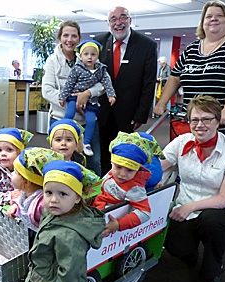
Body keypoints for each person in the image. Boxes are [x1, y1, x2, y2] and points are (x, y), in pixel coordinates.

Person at [160, 94, 225, 282]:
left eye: (207, 119)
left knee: (211, 222)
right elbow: (158, 167)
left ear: (218, 121)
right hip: (185, 210)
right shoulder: (182, 142)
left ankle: (213, 269)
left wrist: (190, 206)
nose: (200, 125)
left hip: (220, 213)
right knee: (176, 246)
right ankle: (191, 252)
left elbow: (224, 199)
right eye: (195, 120)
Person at [153, 0, 225, 146]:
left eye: (219, 16)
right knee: (194, 158)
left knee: (218, 161)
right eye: (209, 16)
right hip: (198, 118)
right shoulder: (191, 49)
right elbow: (175, 77)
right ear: (203, 22)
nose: (213, 19)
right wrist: (162, 102)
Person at [24, 160, 105, 282]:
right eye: (49, 193)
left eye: (62, 194)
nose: (53, 200)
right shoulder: (53, 213)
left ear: (77, 197)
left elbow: (70, 278)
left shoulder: (70, 236)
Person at [95, 6, 157, 176]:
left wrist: (141, 114)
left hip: (128, 113)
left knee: (123, 155)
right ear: (108, 23)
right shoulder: (99, 43)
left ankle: (120, 190)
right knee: (101, 153)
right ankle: (103, 188)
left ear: (130, 20)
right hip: (101, 110)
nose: (118, 23)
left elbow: (149, 83)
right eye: (113, 19)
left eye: (123, 17)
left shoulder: (147, 45)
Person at [41, 20, 103, 176]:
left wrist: (87, 94)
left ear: (79, 38)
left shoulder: (88, 56)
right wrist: (73, 102)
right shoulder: (52, 61)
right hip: (61, 118)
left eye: (74, 36)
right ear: (60, 37)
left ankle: (95, 198)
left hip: (86, 119)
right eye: (66, 35)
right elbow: (47, 91)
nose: (70, 40)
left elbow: (102, 84)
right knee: (63, 161)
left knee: (93, 161)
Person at [93, 132, 158, 237]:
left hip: (105, 219)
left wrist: (119, 224)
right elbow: (101, 185)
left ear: (136, 170)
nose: (122, 174)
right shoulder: (112, 173)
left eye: (130, 170)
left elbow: (145, 213)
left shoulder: (135, 188)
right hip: (96, 208)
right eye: (118, 167)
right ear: (112, 163)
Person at [59, 39, 116, 156]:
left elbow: (107, 83)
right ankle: (63, 130)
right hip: (74, 97)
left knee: (91, 121)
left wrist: (111, 95)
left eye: (93, 54)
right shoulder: (77, 68)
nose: (89, 57)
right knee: (69, 114)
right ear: (80, 56)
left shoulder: (101, 69)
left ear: (97, 56)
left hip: (91, 101)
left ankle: (86, 143)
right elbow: (69, 83)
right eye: (86, 54)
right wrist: (62, 97)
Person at [6, 147, 63, 232]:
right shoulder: (26, 192)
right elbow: (23, 202)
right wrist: (16, 205)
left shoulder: (43, 204)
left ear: (27, 181)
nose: (12, 173)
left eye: (15, 172)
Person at [0, 127, 33, 206]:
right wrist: (10, 196)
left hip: (19, 203)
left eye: (9, 150)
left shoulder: (24, 165)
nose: (3, 154)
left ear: (19, 153)